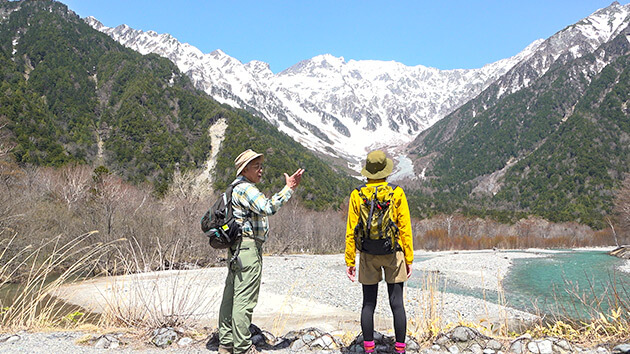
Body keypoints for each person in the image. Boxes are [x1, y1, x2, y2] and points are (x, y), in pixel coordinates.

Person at [218, 149, 304, 354]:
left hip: (235, 249)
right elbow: (267, 207)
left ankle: (226, 343)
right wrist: (289, 189)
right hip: (248, 249)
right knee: (244, 298)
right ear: (245, 169)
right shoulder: (247, 189)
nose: (261, 170)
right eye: (256, 166)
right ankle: (243, 347)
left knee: (230, 295)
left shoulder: (232, 189)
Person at [345, 150, 413, 354]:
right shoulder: (397, 192)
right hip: (393, 253)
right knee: (397, 303)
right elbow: (405, 228)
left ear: (368, 172)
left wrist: (350, 260)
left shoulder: (357, 194)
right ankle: (400, 349)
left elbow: (351, 230)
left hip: (367, 253)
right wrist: (408, 257)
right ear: (386, 171)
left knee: (368, 302)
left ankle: (368, 349)